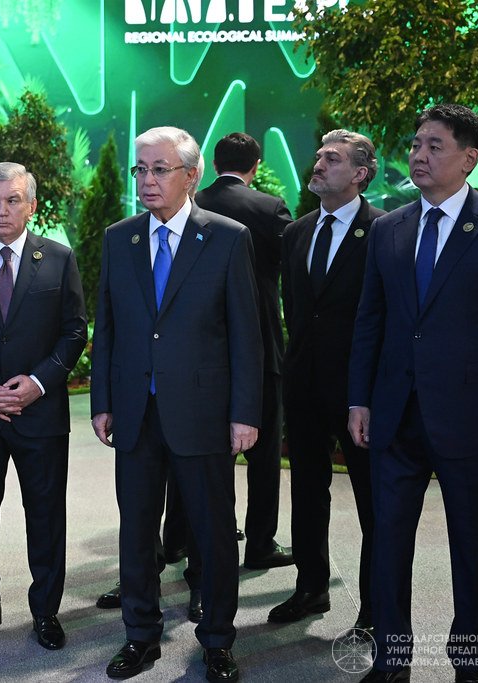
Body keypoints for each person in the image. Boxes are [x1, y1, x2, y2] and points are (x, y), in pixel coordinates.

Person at [348, 104, 478, 683]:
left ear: (469, 158)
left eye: (435, 145)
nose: (419, 154)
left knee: (474, 549)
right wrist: (359, 398)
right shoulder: (388, 228)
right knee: (388, 544)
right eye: (416, 144)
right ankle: (392, 661)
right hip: (395, 416)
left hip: (474, 420)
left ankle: (468, 666)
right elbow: (370, 320)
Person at [90, 126, 262, 681]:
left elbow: (246, 335)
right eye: (140, 169)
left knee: (213, 533)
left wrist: (244, 413)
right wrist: (102, 400)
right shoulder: (120, 239)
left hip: (204, 412)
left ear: (191, 176)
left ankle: (217, 640)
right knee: (136, 532)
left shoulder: (228, 238)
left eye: (159, 169)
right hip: (136, 413)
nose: (147, 179)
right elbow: (107, 327)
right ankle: (140, 636)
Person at [0, 163, 87, 651]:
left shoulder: (59, 258)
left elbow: (74, 330)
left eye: (11, 201)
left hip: (39, 415)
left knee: (45, 516)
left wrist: (39, 382)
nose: (1, 210)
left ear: (31, 206)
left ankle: (45, 611)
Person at [273, 130, 384, 630]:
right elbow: (296, 311)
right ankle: (311, 587)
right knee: (307, 492)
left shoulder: (383, 230)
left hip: (362, 393)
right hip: (304, 386)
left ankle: (376, 608)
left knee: (373, 503)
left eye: (332, 159)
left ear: (360, 174)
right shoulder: (296, 233)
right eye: (318, 155)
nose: (318, 164)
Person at [194, 131, 294, 570]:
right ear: (256, 165)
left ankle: (190, 538)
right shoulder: (269, 208)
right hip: (260, 344)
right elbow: (293, 269)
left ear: (214, 164)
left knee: (196, 454)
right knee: (264, 454)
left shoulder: (190, 205)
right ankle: (260, 544)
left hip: (200, 351)